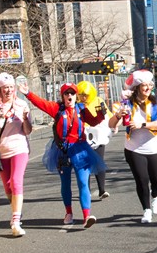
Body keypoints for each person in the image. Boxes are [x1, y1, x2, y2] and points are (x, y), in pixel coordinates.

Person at [21, 81, 106, 228]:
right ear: (63, 96)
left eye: (72, 93)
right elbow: (41, 103)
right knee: (65, 183)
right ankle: (68, 213)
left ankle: (87, 216)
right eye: (67, 93)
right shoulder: (57, 109)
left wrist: (100, 114)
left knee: (83, 181)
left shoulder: (81, 109)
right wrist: (28, 93)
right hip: (63, 151)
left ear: (76, 96)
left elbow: (93, 121)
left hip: (80, 150)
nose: (70, 96)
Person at [109, 70, 157, 224]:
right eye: (144, 85)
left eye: (150, 85)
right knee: (141, 180)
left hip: (156, 147)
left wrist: (143, 124)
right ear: (137, 88)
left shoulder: (156, 102)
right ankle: (146, 210)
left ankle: (155, 197)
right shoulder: (126, 104)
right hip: (134, 149)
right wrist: (117, 116)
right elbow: (111, 124)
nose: (148, 88)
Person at [0, 72, 33, 237]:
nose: (8, 91)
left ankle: (15, 221)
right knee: (8, 187)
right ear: (0, 89)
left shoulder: (21, 104)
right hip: (0, 151)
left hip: (19, 148)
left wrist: (25, 120)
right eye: (5, 88)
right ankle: (16, 211)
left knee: (16, 181)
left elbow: (28, 131)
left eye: (11, 87)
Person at [77, 80, 112, 200]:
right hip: (83, 137)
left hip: (98, 135)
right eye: (80, 95)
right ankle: (86, 190)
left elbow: (108, 116)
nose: (83, 97)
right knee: (84, 165)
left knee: (98, 162)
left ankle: (102, 190)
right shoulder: (77, 104)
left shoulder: (98, 101)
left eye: (85, 95)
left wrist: (113, 125)